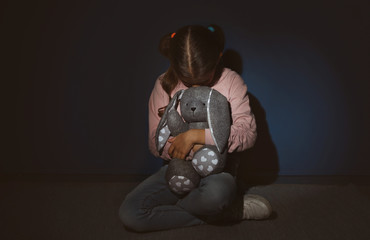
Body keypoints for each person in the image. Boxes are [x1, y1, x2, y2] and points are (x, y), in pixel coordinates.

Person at [119, 24, 272, 232]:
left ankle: (209, 206)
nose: (196, 87)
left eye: (205, 79)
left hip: (218, 171)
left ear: (218, 57)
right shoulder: (164, 83)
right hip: (177, 170)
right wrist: (188, 149)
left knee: (215, 195)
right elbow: (155, 144)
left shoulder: (230, 81)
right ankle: (224, 213)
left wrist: (197, 137)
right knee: (130, 213)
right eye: (187, 81)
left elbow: (248, 133)